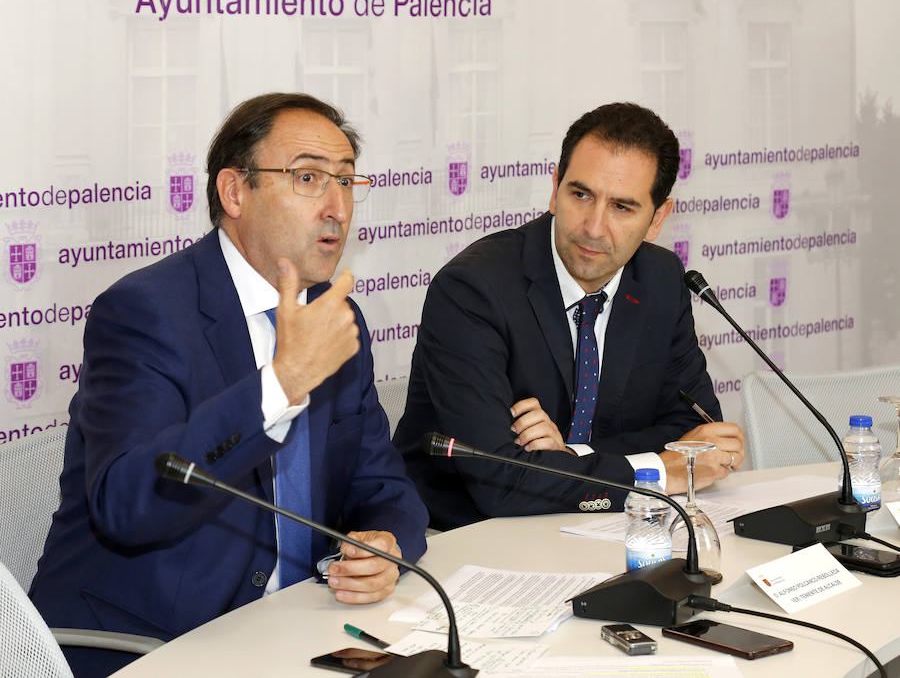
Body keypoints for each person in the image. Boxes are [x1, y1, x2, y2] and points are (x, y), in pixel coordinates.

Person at [29, 93, 429, 677]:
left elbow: (384, 484)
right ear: (235, 192)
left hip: (299, 630)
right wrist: (281, 384)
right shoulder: (145, 312)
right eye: (309, 178)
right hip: (152, 646)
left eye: (346, 181)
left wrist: (386, 546)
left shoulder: (334, 316)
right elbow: (129, 505)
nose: (337, 207)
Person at [394, 102, 744, 531]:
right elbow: (500, 482)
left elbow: (694, 430)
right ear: (554, 187)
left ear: (658, 219)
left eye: (622, 207)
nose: (593, 228)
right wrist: (659, 470)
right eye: (580, 195)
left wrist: (572, 455)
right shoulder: (473, 290)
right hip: (472, 538)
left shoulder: (660, 280)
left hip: (606, 526)